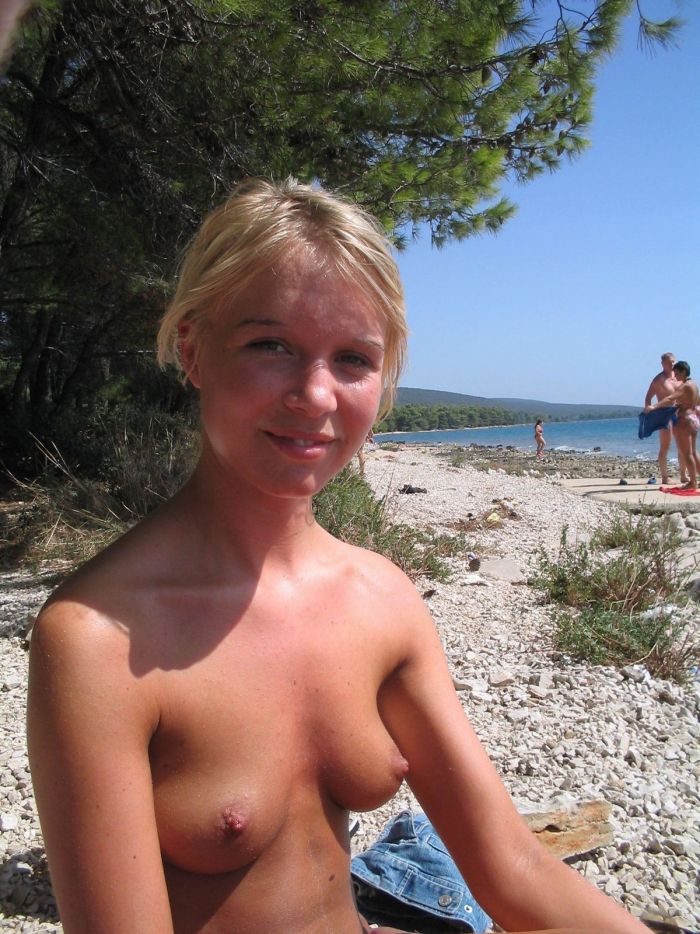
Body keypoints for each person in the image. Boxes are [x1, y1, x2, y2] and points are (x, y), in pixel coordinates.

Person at [28, 178, 650, 934]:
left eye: (353, 359)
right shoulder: (98, 641)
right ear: (193, 349)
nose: (316, 395)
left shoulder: (380, 599)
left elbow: (513, 868)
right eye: (270, 346)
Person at [646, 360, 699, 491]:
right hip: (694, 420)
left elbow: (670, 398)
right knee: (693, 452)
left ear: (684, 372)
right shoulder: (694, 384)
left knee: (687, 454)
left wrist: (654, 406)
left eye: (677, 373)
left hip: (684, 420)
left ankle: (693, 482)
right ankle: (694, 480)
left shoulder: (685, 386)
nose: (675, 376)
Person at [644, 352, 684, 485]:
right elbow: (648, 397)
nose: (672, 364)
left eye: (673, 361)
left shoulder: (678, 377)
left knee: (682, 445)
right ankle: (665, 477)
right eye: (668, 362)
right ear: (663, 364)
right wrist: (649, 412)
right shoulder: (659, 379)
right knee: (665, 445)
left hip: (678, 412)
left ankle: (683, 475)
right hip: (664, 414)